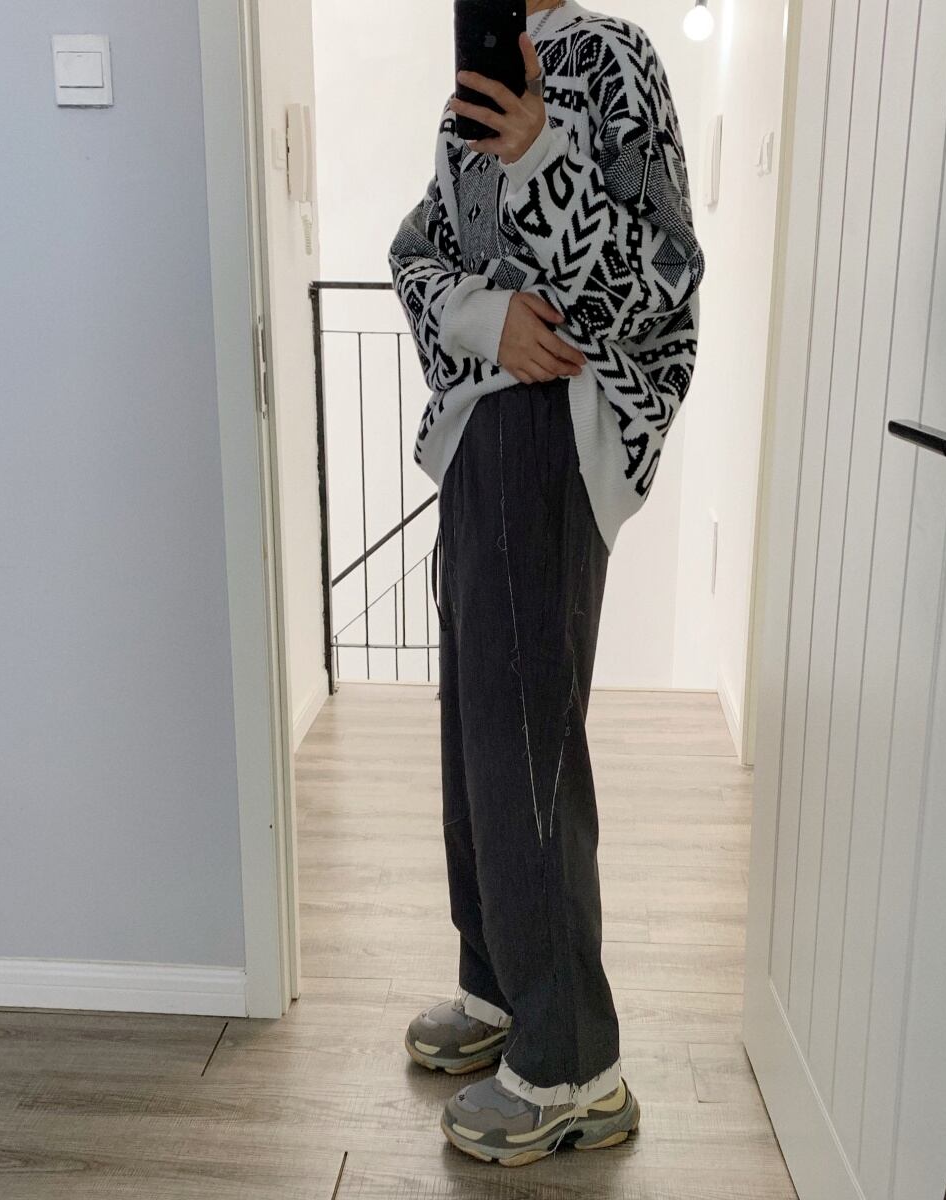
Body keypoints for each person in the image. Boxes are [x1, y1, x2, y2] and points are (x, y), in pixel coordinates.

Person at [389, 0, 704, 1166]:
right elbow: (415, 253)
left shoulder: (615, 59)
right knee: (475, 733)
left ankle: (575, 1063)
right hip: (482, 427)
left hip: (558, 427)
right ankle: (498, 983)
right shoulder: (467, 90)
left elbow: (664, 277)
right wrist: (484, 318)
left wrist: (542, 156)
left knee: (527, 741)